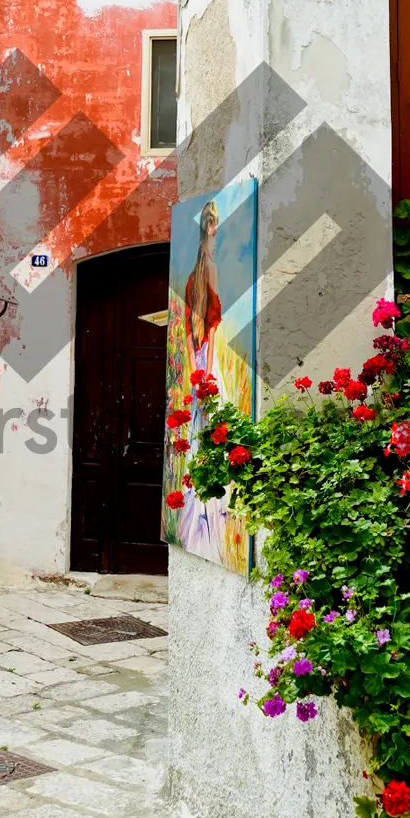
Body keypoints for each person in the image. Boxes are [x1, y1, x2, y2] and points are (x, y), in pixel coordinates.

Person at [178, 201, 227, 562]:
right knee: (215, 436)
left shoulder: (193, 274)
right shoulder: (210, 268)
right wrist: (209, 376)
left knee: (199, 437)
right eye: (216, 226)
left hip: (197, 362)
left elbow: (192, 330)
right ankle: (210, 518)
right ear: (211, 229)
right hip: (207, 362)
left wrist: (195, 378)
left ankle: (197, 514)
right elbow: (211, 327)